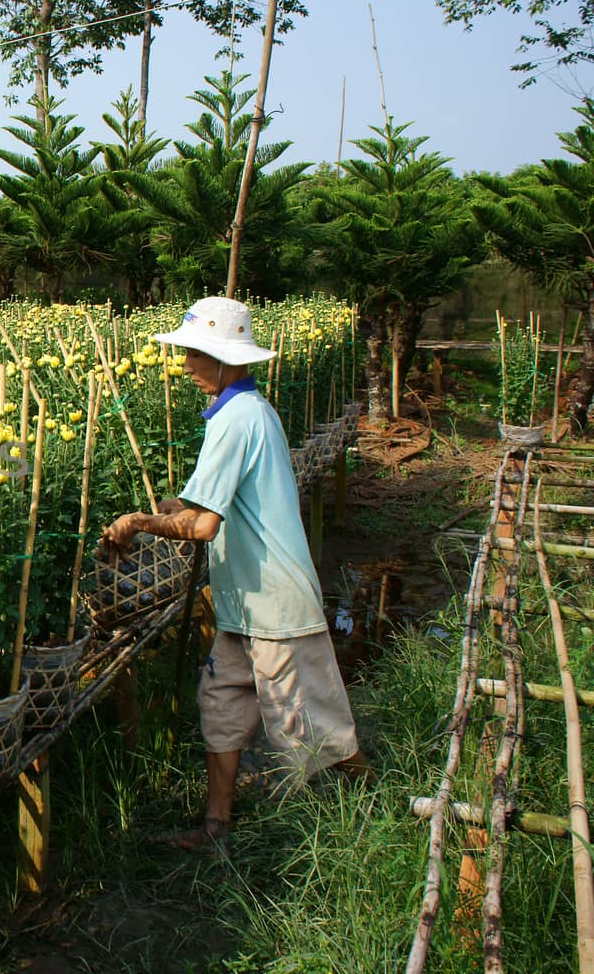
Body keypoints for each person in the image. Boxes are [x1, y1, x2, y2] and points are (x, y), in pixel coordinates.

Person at [99, 296, 367, 851]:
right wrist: (169, 510)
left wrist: (140, 522)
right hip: (242, 603)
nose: (187, 365)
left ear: (224, 359)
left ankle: (371, 812)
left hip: (275, 604)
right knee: (221, 704)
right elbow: (206, 504)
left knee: (311, 725)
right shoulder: (243, 412)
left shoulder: (238, 419)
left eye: (196, 354)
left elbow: (203, 527)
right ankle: (216, 827)